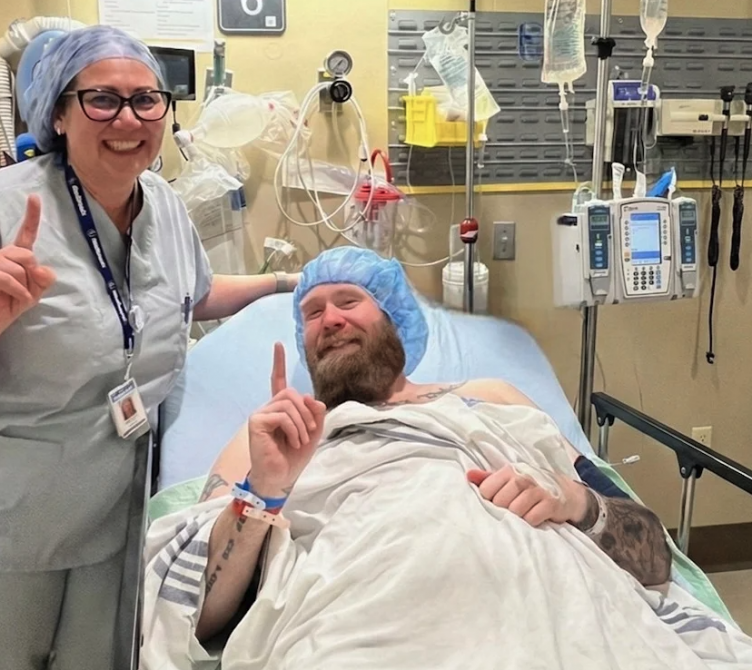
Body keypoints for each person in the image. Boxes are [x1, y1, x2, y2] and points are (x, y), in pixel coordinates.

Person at [0, 24, 296, 670]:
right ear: (58, 113)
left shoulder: (163, 205)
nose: (127, 119)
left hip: (108, 523)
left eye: (146, 99)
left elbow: (193, 295)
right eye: (102, 99)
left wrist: (292, 283)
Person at [142, 247, 752, 670]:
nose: (329, 319)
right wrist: (263, 493)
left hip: (549, 606)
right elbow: (197, 614)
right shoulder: (269, 436)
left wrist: (575, 502)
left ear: (394, 318)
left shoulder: (487, 398)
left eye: (348, 300)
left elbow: (653, 558)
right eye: (311, 312)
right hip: (350, 622)